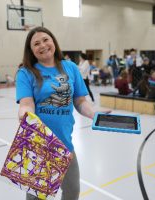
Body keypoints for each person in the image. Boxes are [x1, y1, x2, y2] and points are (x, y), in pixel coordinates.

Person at [15, 27, 110, 200]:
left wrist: (93, 114)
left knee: (73, 190)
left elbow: (80, 101)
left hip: (65, 143)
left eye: (45, 40)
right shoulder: (26, 72)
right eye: (36, 43)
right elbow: (26, 104)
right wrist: (24, 114)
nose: (42, 45)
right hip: (40, 143)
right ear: (31, 50)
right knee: (37, 196)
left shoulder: (70, 67)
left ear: (53, 42)